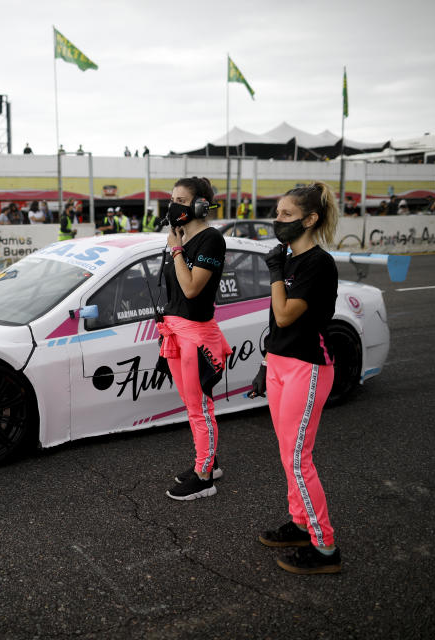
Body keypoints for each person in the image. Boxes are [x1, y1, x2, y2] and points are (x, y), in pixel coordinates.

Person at [246, 182, 341, 574]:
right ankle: (301, 523)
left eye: (286, 215)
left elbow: (285, 314)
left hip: (308, 367)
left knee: (299, 459)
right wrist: (267, 361)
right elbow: (276, 324)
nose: (277, 220)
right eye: (277, 212)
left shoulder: (318, 263)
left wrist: (274, 272)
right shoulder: (287, 259)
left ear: (310, 219)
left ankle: (325, 547)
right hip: (281, 365)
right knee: (289, 455)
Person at [159, 176, 230, 501]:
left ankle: (204, 478)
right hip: (176, 332)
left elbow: (191, 289)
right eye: (172, 198)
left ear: (200, 205)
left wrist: (176, 249)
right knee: (194, 405)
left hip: (196, 337)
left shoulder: (211, 239)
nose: (174, 205)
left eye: (182, 199)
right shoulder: (184, 239)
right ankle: (208, 460)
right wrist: (177, 244)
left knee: (200, 407)